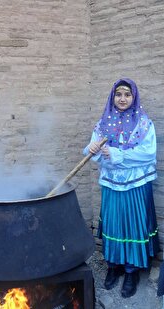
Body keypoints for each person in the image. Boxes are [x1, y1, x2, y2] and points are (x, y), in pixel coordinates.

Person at [83, 78, 159, 298]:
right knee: (115, 223)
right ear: (112, 97)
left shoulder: (144, 124)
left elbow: (148, 154)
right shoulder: (104, 122)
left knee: (133, 224)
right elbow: (94, 150)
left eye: (127, 94)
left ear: (134, 97)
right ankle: (114, 266)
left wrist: (118, 154)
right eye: (118, 94)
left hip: (136, 184)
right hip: (112, 183)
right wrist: (93, 147)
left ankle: (132, 271)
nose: (122, 99)